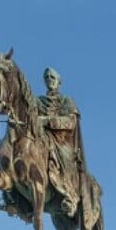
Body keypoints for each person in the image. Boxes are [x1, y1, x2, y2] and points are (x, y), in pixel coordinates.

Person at [36, 67, 82, 218]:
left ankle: (70, 195)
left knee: (64, 155)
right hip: (41, 138)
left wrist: (48, 121)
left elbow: (71, 122)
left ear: (59, 82)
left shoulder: (66, 101)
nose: (49, 79)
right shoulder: (38, 102)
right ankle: (14, 197)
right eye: (47, 77)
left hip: (61, 140)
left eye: (52, 77)